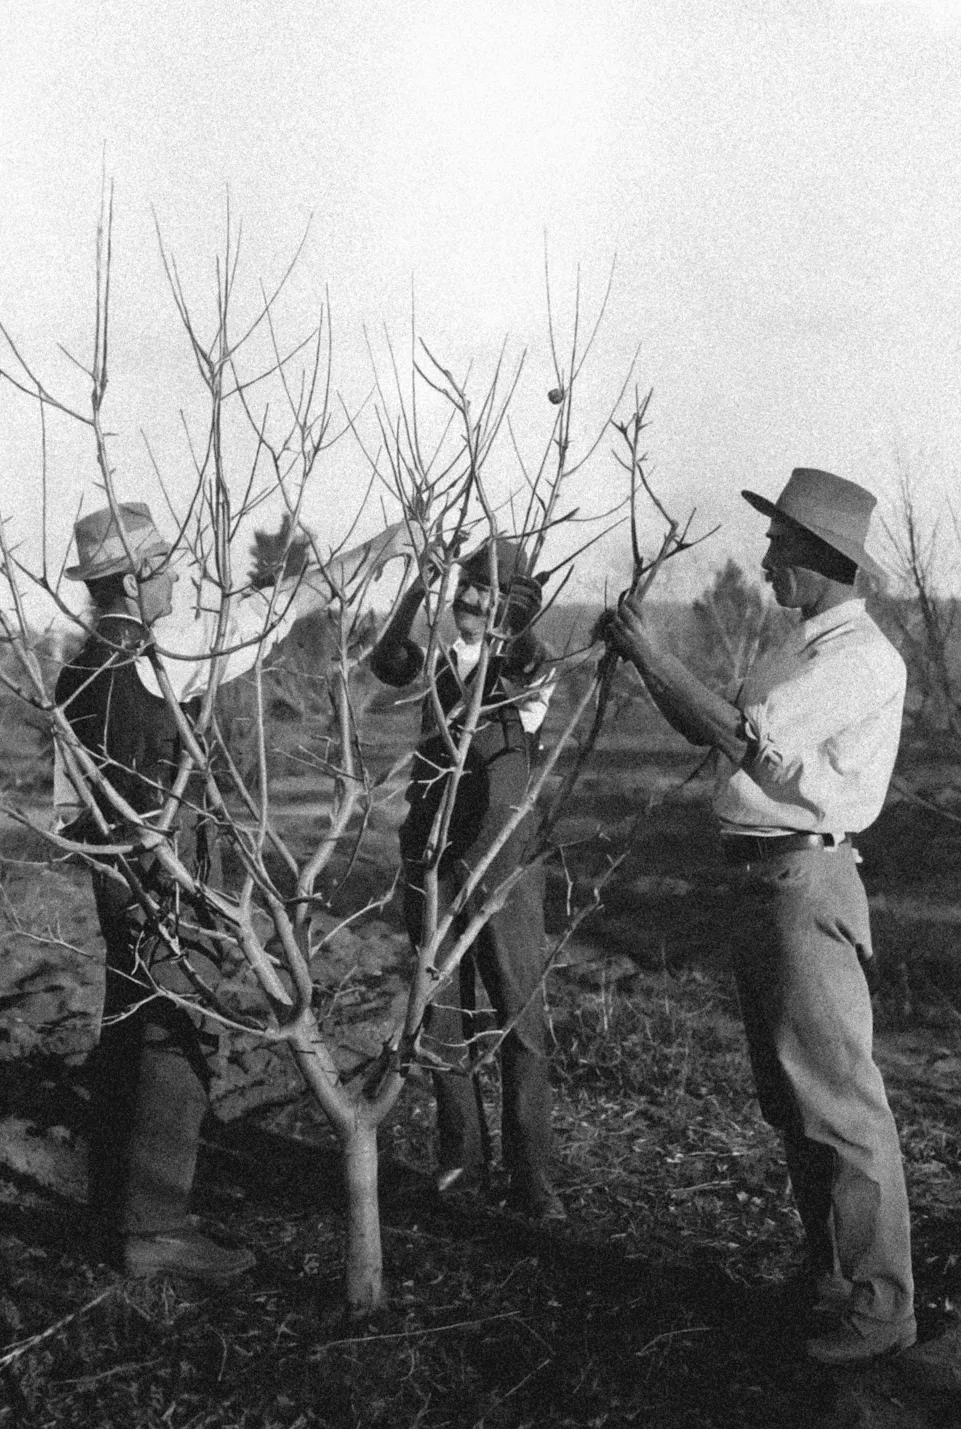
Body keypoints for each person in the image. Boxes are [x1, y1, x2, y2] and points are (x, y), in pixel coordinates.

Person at [607, 468, 915, 1365]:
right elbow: (714, 729)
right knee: (791, 1096)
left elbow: (747, 737)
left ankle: (879, 1306)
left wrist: (656, 652)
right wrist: (640, 657)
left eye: (781, 542)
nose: (767, 555)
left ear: (820, 556)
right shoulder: (798, 647)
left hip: (801, 881)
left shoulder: (859, 658)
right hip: (761, 880)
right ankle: (829, 1275)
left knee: (841, 1101)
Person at [54, 501, 406, 1279]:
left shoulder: (79, 667)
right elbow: (278, 603)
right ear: (135, 580)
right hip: (157, 868)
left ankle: (118, 1208)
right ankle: (154, 1230)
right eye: (164, 567)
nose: (177, 575)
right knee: (177, 1031)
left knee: (130, 1020)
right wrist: (381, 547)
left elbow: (67, 805)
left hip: (117, 865)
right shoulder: (153, 657)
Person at [371, 536, 564, 1219]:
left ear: (512, 602)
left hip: (503, 863)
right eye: (465, 588)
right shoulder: (432, 664)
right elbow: (385, 659)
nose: (471, 601)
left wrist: (514, 622)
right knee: (439, 1011)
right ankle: (460, 1159)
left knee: (518, 1012)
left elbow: (521, 660)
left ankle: (530, 1173)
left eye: (488, 590)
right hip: (433, 859)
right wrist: (415, 593)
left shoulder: (526, 668)